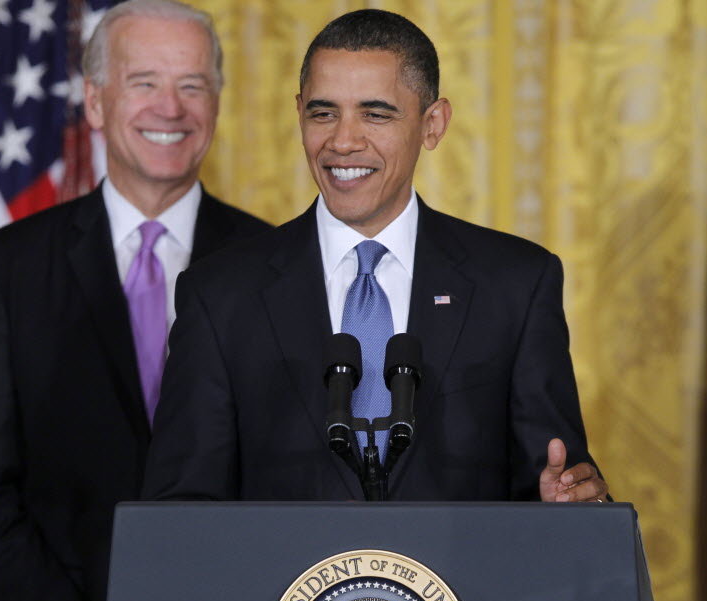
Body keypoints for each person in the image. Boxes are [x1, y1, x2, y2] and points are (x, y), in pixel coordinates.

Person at [0, 1, 270, 601]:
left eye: (193, 85)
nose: (170, 109)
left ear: (217, 104)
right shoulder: (8, 269)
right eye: (144, 81)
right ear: (93, 100)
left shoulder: (276, 268)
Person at [142, 9, 607, 504]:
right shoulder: (220, 295)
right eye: (323, 113)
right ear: (298, 112)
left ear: (433, 124)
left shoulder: (515, 285)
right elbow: (180, 513)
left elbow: (560, 481)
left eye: (376, 114)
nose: (343, 141)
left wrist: (565, 504)